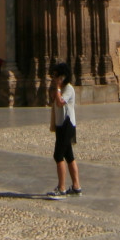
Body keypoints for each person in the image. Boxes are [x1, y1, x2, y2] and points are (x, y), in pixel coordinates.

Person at [49, 62, 81, 196]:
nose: (54, 78)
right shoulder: (61, 88)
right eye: (53, 76)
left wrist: (57, 88)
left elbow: (60, 102)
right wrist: (56, 88)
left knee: (58, 155)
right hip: (61, 124)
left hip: (67, 125)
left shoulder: (68, 89)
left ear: (63, 76)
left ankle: (61, 188)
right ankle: (76, 186)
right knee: (69, 156)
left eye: (56, 76)